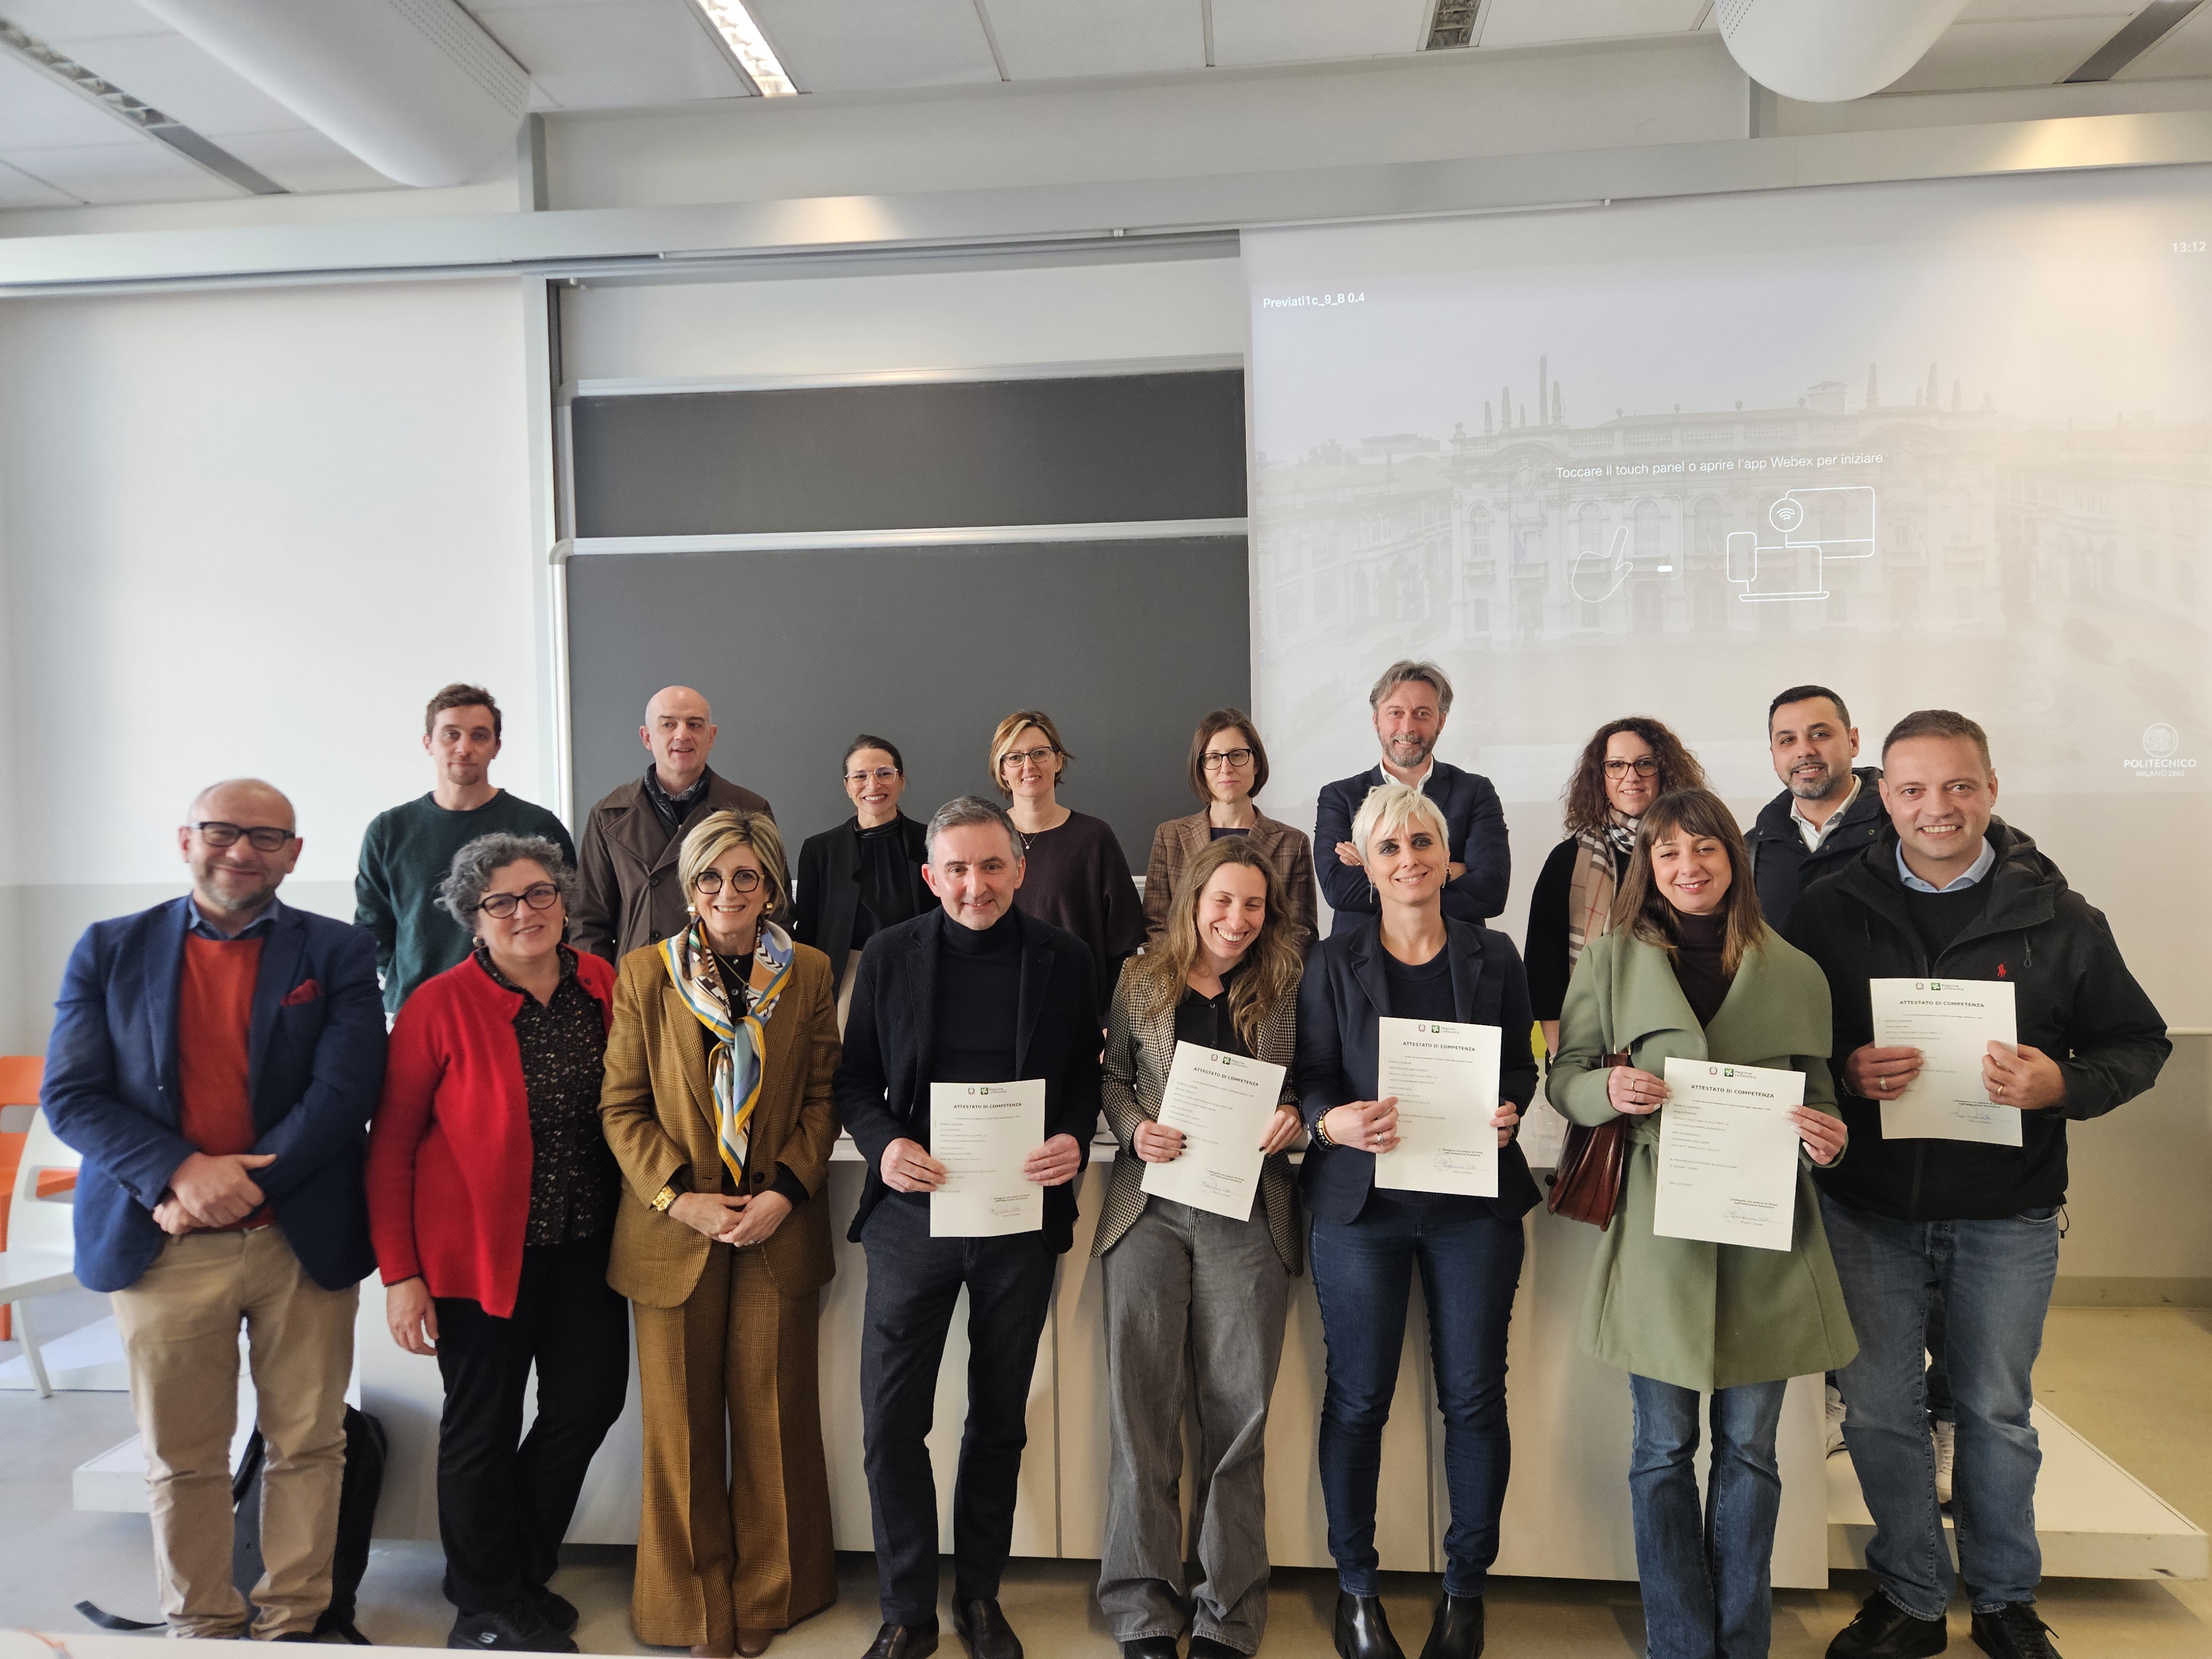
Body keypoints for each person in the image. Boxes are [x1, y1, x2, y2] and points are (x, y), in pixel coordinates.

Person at [1787, 712, 2170, 1659]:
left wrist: (2061, 1084)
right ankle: (1913, 1597)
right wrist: (1845, 1069)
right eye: (1914, 789)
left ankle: (2006, 1599)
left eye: (1958, 786)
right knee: (1879, 1409)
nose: (1938, 808)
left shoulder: (2062, 918)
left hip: (2009, 1213)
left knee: (1996, 1412)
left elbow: (2139, 1043)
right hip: (1869, 1208)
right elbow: (1789, 1051)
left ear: (1992, 789)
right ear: (1884, 798)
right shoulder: (1829, 908)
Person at [41, 779, 385, 1640]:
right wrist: (178, 1175)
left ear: (295, 854)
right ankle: (200, 1625)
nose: (243, 850)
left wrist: (240, 1186)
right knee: (182, 1457)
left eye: (267, 837)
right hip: (161, 1241)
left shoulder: (338, 952)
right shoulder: (110, 948)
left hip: (296, 1240)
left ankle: (293, 1622)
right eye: (223, 831)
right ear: (185, 838)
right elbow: (73, 1096)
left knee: (308, 1444)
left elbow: (345, 1093)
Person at [1547, 786, 1856, 1659]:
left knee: (1752, 1454)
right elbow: (1563, 1073)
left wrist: (1828, 1143)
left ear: (1735, 858)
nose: (1690, 868)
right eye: (1671, 853)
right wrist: (1602, 1090)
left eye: (1706, 849)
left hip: (1766, 1239)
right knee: (1662, 1450)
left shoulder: (1795, 971)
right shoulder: (1610, 960)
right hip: (1659, 1238)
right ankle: (1681, 1641)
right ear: (1650, 866)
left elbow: (1821, 1102)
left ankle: (1741, 1637)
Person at [834, 796, 1102, 1659]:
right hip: (914, 1218)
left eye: (992, 866)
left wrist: (1070, 1135)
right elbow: (855, 1084)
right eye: (956, 868)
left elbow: (1081, 1082)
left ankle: (980, 1597)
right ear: (930, 875)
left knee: (997, 1418)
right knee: (890, 1422)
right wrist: (884, 1149)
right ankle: (907, 1607)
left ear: (1020, 870)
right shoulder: (886, 956)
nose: (974, 884)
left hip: (1019, 1221)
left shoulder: (1066, 959)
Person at [366, 834, 627, 1654]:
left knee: (589, 1404)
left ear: (563, 899)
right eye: (503, 902)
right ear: (474, 920)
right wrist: (401, 1274)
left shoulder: (601, 983)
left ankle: (509, 1567)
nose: (526, 912)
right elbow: (392, 1149)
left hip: (588, 1244)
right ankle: (485, 1606)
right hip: (477, 1257)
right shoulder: (435, 1006)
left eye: (541, 893)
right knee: (480, 1428)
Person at [1292, 781, 1535, 1659]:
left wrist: (1510, 1106)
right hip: (1364, 1211)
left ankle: (1464, 1592)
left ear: (1445, 855)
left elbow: (1520, 1068)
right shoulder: (1331, 959)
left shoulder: (1495, 953)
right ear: (1364, 861)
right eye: (1389, 847)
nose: (1409, 861)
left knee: (1473, 1399)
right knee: (1358, 1400)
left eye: (1423, 843)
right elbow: (1314, 1072)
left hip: (1473, 1209)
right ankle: (1355, 1588)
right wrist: (1332, 1124)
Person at [599, 811, 842, 1658]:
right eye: (710, 879)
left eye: (746, 878)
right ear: (687, 888)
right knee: (681, 1431)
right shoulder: (643, 975)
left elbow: (821, 1098)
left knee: (776, 1418)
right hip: (676, 1234)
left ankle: (773, 1592)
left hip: (777, 1225)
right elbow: (621, 1107)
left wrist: (786, 1190)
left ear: (771, 885)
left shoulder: (808, 972)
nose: (728, 894)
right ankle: (694, 1610)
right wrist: (679, 1199)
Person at [1094, 837, 1308, 1659]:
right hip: (1148, 1210)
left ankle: (1229, 1611)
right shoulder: (1139, 979)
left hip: (1250, 1211)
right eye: (1223, 901)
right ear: (1191, 901)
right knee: (1140, 1413)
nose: (1237, 919)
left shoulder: (1287, 981)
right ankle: (1143, 1604)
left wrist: (1295, 1114)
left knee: (1238, 1415)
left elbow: (1310, 1078)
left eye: (1253, 905)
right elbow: (1113, 1079)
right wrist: (1133, 1127)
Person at [356, 684, 577, 1017]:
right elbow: (372, 929)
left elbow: (565, 920)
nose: (464, 748)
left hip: (517, 1011)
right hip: (417, 1010)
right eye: (451, 735)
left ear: (496, 747)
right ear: (428, 742)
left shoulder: (537, 826)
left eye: (479, 736)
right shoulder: (389, 831)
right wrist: (411, 979)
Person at [1523, 716, 1705, 1056]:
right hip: (1595, 1048)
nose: (1631, 776)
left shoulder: (1694, 858)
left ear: (1664, 771)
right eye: (1617, 765)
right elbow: (1544, 974)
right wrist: (1570, 1062)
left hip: (1686, 1037)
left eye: (1645, 764)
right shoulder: (1568, 861)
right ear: (1601, 777)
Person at [572, 686, 774, 962]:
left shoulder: (750, 809)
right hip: (641, 986)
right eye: (668, 724)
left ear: (711, 736)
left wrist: (764, 982)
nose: (682, 735)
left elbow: (776, 908)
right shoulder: (608, 815)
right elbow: (588, 923)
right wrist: (602, 993)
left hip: (727, 979)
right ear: (647, 737)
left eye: (695, 724)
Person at [1315, 660, 1509, 934]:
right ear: (1376, 720)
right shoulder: (1339, 797)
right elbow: (1338, 890)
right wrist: (1448, 871)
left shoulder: (1475, 792)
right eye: (1395, 712)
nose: (1407, 727)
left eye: (1422, 714)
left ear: (1441, 721)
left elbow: (1491, 892)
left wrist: (1376, 868)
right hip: (1360, 962)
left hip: (1456, 959)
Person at [990, 709, 1144, 1019]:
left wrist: (1111, 1023)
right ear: (1002, 770)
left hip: (1077, 1014)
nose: (1029, 765)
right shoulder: (986, 838)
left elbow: (1123, 950)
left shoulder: (1094, 838)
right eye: (1015, 757)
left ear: (1058, 761)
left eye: (1039, 753)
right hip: (998, 1007)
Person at [1141, 707, 1318, 953]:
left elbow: (1301, 933)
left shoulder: (1292, 842)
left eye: (1237, 755)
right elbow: (1157, 926)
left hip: (1264, 984)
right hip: (1185, 980)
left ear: (1256, 763)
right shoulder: (1170, 837)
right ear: (1201, 768)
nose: (1226, 768)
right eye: (1213, 757)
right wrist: (1197, 976)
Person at [792, 734, 930, 1030]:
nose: (873, 785)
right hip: (844, 976)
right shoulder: (820, 851)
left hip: (917, 973)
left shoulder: (932, 842)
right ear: (847, 785)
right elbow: (807, 933)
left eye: (884, 774)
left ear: (902, 780)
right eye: (860, 776)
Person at [1744, 685, 1887, 931]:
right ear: (1774, 756)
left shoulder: (1903, 831)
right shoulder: (1750, 852)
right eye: (1788, 740)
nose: (1804, 751)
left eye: (1820, 735)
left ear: (1853, 742)